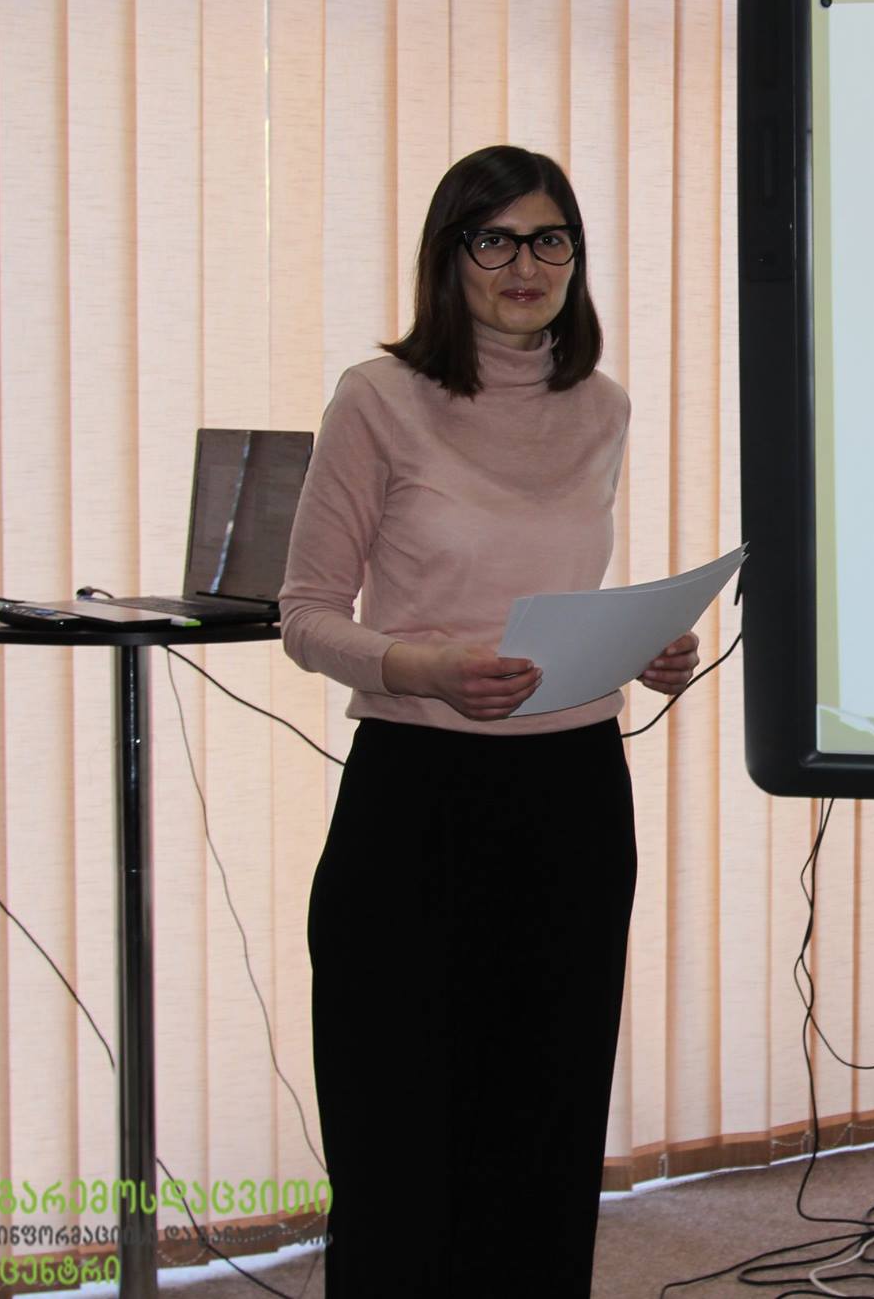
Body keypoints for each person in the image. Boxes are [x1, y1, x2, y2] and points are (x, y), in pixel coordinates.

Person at [278, 145, 698, 1295]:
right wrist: (420, 665)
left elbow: (545, 596)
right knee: (400, 1129)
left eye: (548, 239)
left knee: (545, 1121)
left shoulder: (602, 408)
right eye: (494, 239)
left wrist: (644, 648)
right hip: (418, 794)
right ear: (448, 256)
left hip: (573, 796)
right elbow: (304, 615)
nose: (525, 264)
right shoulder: (377, 400)